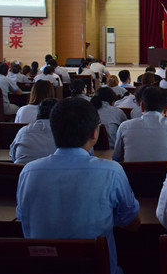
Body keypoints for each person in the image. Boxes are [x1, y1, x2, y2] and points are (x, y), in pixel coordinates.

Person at [16, 97, 140, 274]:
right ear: (94, 133)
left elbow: (24, 219)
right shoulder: (111, 171)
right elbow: (133, 223)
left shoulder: (28, 172)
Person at [113, 86, 167, 162]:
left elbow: (117, 157)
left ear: (142, 106)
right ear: (166, 109)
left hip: (132, 170)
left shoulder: (124, 127)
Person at [10, 98, 58, 164]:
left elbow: (13, 156)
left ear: (37, 116)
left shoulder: (23, 131)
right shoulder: (63, 133)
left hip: (20, 170)